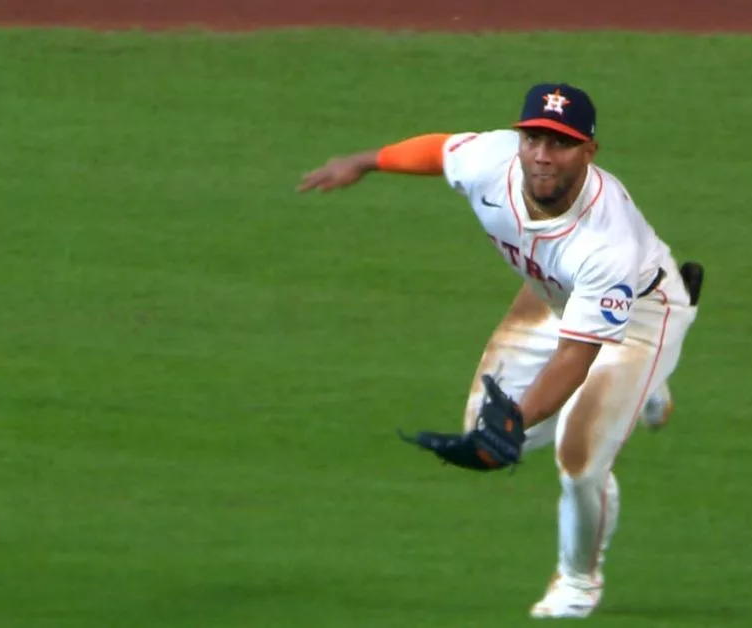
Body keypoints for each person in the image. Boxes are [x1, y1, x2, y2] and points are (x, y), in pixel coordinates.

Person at [297, 82, 703, 619]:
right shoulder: (492, 161)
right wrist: (362, 161)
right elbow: (439, 151)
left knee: (578, 459)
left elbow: (574, 360)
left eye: (559, 143)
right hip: (554, 295)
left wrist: (514, 422)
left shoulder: (607, 240)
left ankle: (579, 583)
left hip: (641, 318)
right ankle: (645, 391)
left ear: (588, 151)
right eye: (533, 137)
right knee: (479, 426)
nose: (541, 154)